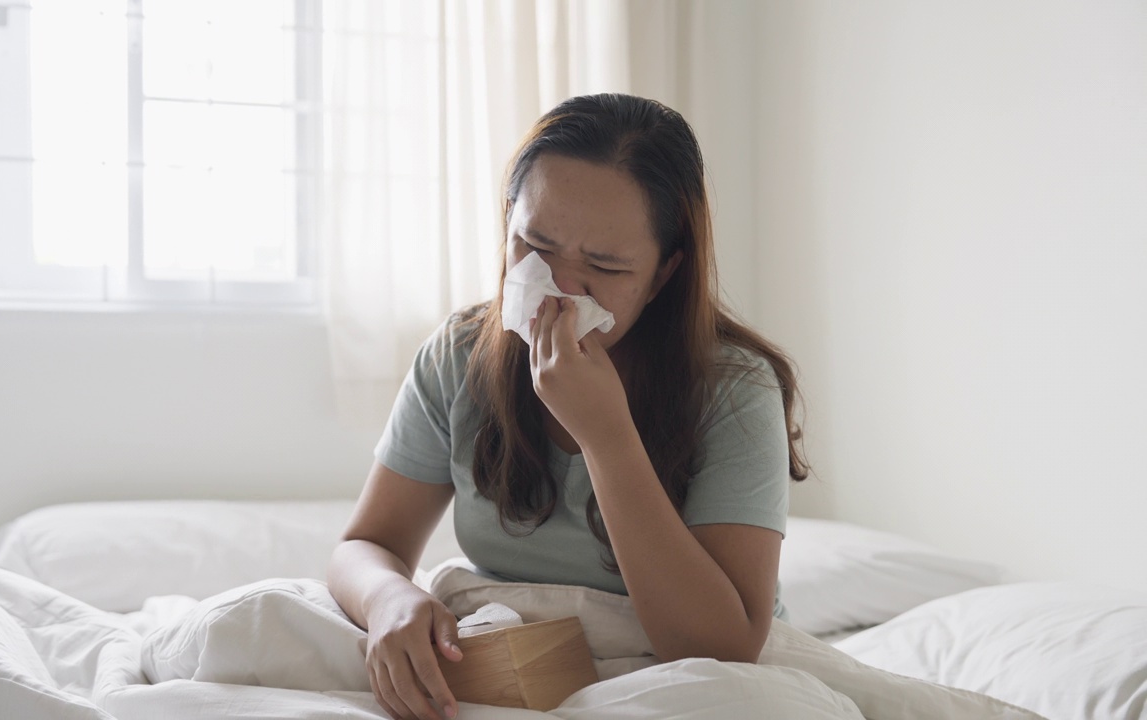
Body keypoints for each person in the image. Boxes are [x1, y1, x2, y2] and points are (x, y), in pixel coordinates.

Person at [327, 93, 808, 720]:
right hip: (523, 660)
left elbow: (719, 647)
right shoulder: (460, 356)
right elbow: (364, 546)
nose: (557, 287)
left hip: (687, 676)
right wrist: (389, 597)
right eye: (535, 245)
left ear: (663, 275)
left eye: (603, 266)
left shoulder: (735, 390)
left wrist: (606, 436)